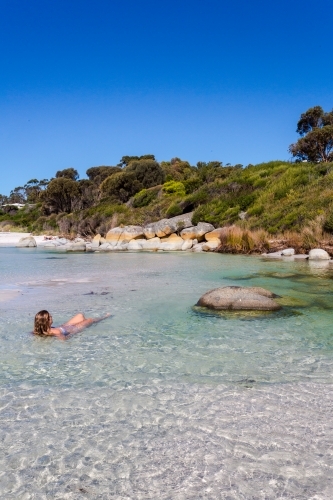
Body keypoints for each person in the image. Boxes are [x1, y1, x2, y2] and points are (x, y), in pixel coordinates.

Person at [33, 310, 110, 339]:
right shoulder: (56, 332)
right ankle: (105, 317)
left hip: (64, 326)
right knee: (90, 320)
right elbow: (65, 339)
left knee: (80, 315)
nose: (51, 316)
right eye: (50, 317)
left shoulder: (37, 330)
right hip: (73, 328)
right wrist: (74, 332)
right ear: (45, 321)